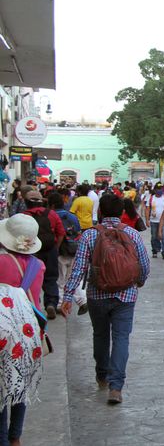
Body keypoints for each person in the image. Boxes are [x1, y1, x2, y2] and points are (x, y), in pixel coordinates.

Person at [62, 194, 151, 405]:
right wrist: (138, 281)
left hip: (97, 295)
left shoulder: (90, 235)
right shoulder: (132, 234)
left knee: (100, 335)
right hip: (126, 295)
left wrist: (67, 296)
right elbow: (144, 265)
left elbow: (78, 269)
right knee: (121, 338)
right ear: (121, 212)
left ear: (99, 211)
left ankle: (102, 374)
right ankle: (116, 387)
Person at [0, 215, 46, 446]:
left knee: (1, 385)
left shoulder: (0, 262)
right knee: (21, 384)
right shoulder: (39, 266)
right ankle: (15, 436)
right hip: (30, 332)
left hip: (3, 332)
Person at [23, 189, 65, 320]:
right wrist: (55, 247)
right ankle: (51, 303)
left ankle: (33, 306)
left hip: (31, 252)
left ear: (26, 202)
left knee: (31, 279)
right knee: (51, 278)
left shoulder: (24, 216)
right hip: (50, 249)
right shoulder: (52, 214)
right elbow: (61, 232)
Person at [48, 193, 87, 315]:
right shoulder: (72, 216)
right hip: (74, 250)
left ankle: (59, 304)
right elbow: (78, 232)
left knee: (60, 279)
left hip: (60, 251)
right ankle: (82, 301)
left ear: (52, 204)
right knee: (73, 278)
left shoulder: (52, 216)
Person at [146, 184, 164, 259]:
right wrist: (147, 220)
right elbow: (148, 209)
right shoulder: (151, 198)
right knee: (154, 237)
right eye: (158, 189)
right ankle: (155, 250)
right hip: (153, 221)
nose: (160, 190)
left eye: (161, 188)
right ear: (155, 190)